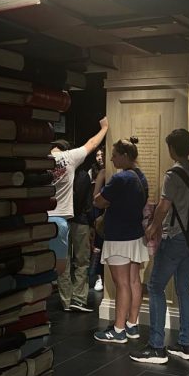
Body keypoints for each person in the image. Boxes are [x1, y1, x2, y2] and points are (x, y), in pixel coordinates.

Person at [129, 128, 189, 365]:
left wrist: (152, 227)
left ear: (171, 149)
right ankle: (185, 343)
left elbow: (163, 206)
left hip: (175, 237)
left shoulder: (173, 174)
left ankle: (156, 346)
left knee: (155, 285)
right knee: (183, 288)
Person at [93, 138, 149, 345]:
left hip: (118, 236)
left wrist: (99, 179)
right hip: (135, 234)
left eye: (115, 155)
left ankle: (118, 330)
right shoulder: (140, 177)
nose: (111, 159)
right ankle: (132, 324)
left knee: (122, 283)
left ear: (124, 156)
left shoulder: (120, 179)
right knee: (134, 281)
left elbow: (98, 201)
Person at [49, 117, 109, 279]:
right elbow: (92, 144)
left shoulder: (40, 161)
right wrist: (104, 128)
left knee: (44, 263)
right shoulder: (69, 157)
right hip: (60, 219)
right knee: (60, 267)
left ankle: (61, 301)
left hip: (39, 219)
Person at [57, 164, 93, 312]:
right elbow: (83, 200)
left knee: (64, 261)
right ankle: (77, 300)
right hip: (78, 220)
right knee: (81, 261)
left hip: (64, 219)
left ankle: (68, 300)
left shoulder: (61, 175)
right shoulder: (83, 175)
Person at [88, 148, 105, 292]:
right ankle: (99, 277)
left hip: (106, 211)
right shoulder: (92, 172)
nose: (99, 157)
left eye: (102, 155)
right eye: (97, 155)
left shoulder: (109, 172)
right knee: (97, 247)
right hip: (97, 212)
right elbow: (93, 197)